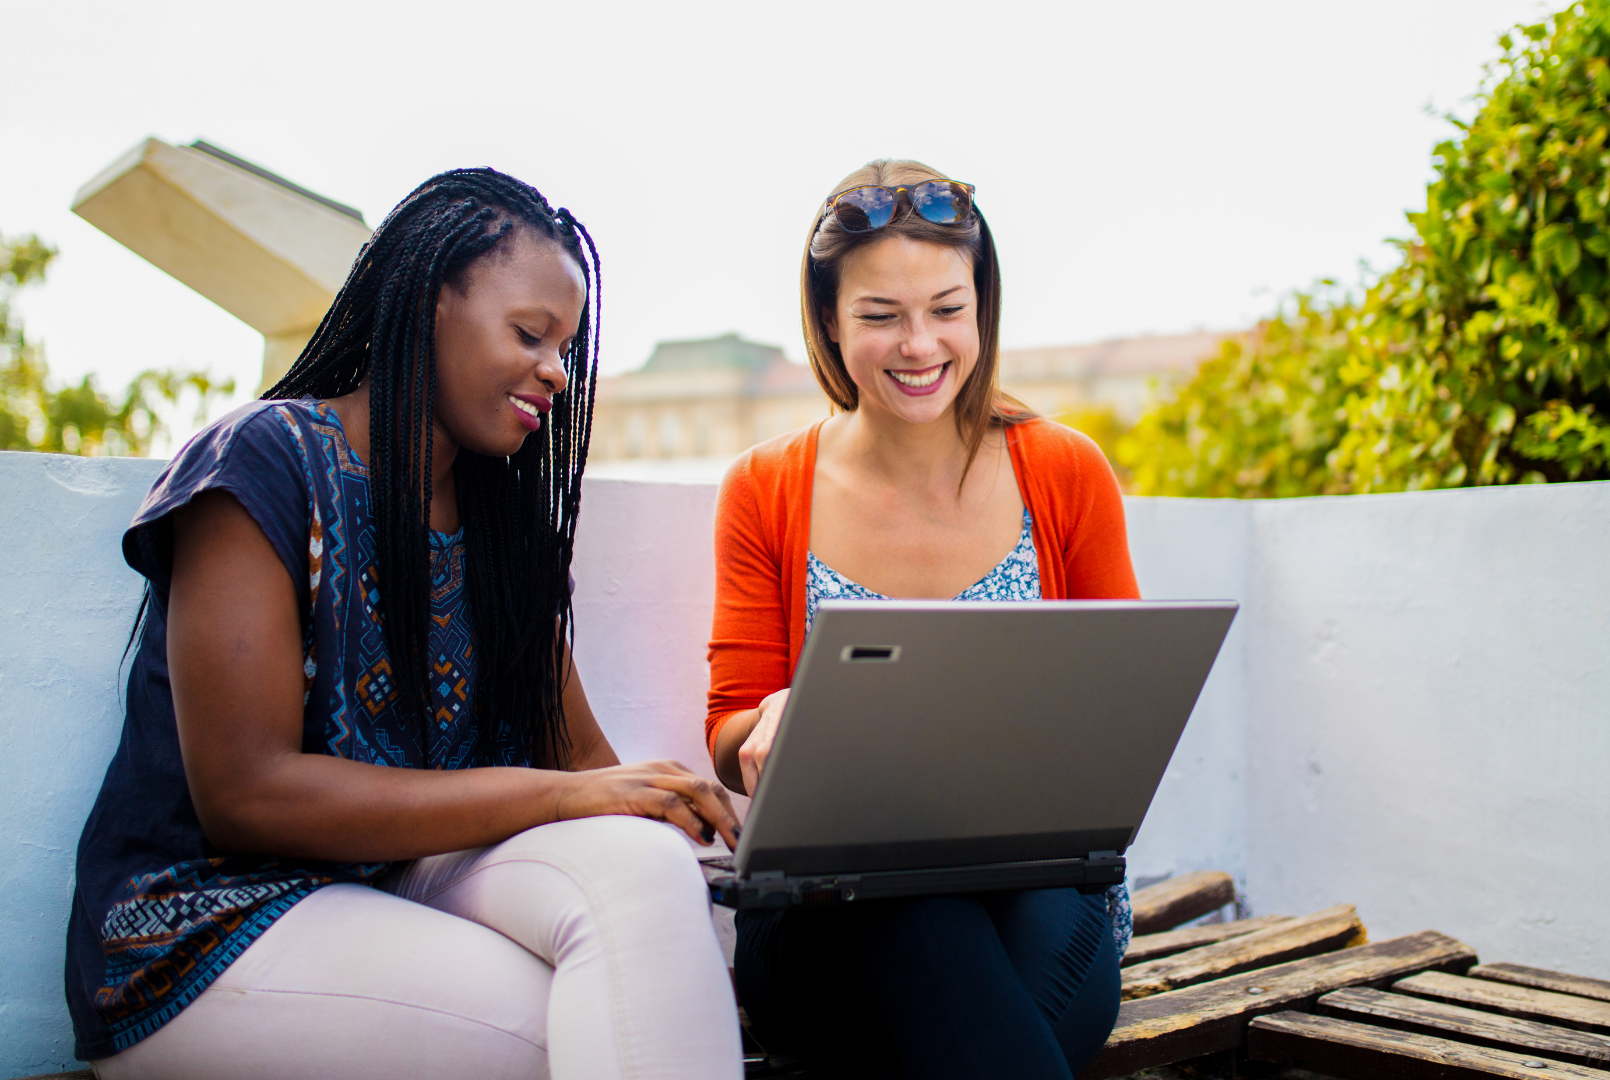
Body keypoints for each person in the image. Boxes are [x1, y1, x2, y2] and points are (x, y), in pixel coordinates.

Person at [68, 169, 744, 1080]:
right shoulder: (265, 464)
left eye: (567, 346)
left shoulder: (504, 525)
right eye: (529, 334)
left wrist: (720, 839)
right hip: (212, 922)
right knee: (602, 1021)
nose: (557, 369)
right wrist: (561, 797)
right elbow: (247, 792)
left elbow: (586, 770)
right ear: (431, 305)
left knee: (647, 886)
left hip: (407, 880)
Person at [706, 160, 1140, 1079]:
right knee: (919, 922)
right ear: (827, 321)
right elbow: (729, 728)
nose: (919, 345)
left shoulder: (1066, 472)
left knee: (960, 982)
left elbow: (1121, 707)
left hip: (1040, 890)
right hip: (826, 913)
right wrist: (778, 715)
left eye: (947, 309)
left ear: (982, 306)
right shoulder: (763, 488)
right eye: (880, 316)